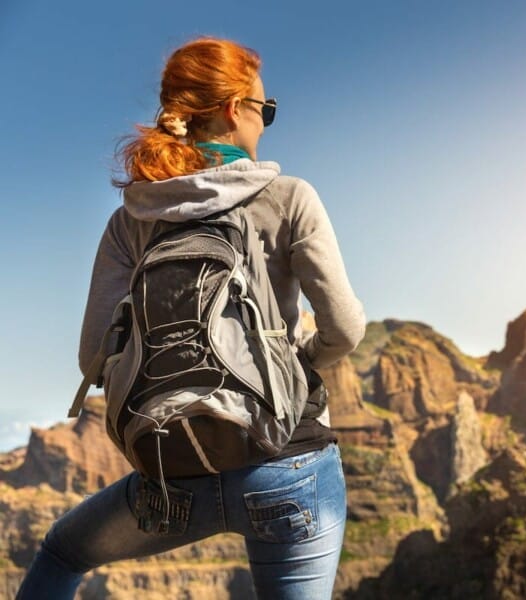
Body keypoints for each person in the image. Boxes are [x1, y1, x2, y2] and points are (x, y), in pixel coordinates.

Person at [16, 37, 366, 599]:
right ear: (233, 109)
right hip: (287, 462)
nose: (265, 122)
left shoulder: (131, 219)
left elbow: (92, 358)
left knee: (61, 553)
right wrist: (298, 358)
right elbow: (345, 328)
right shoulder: (288, 197)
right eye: (265, 109)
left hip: (171, 470)